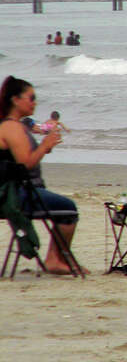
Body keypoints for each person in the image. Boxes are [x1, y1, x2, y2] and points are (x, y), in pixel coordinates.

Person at [0, 76, 85, 274]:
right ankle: (55, 260)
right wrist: (44, 146)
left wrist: (43, 149)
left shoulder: (11, 126)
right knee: (68, 208)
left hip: (11, 192)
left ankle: (55, 259)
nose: (34, 103)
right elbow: (25, 165)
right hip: (17, 195)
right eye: (31, 98)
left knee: (60, 205)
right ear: (15, 100)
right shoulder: (12, 128)